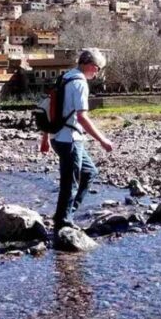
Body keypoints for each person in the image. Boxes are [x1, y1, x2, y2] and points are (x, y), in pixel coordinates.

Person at [40, 49, 113, 231]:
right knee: (70, 182)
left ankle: (65, 213)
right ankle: (63, 222)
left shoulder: (65, 77)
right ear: (89, 65)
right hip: (70, 139)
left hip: (58, 137)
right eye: (97, 69)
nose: (97, 73)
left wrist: (45, 137)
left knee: (89, 172)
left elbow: (49, 108)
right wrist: (102, 140)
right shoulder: (80, 83)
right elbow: (82, 117)